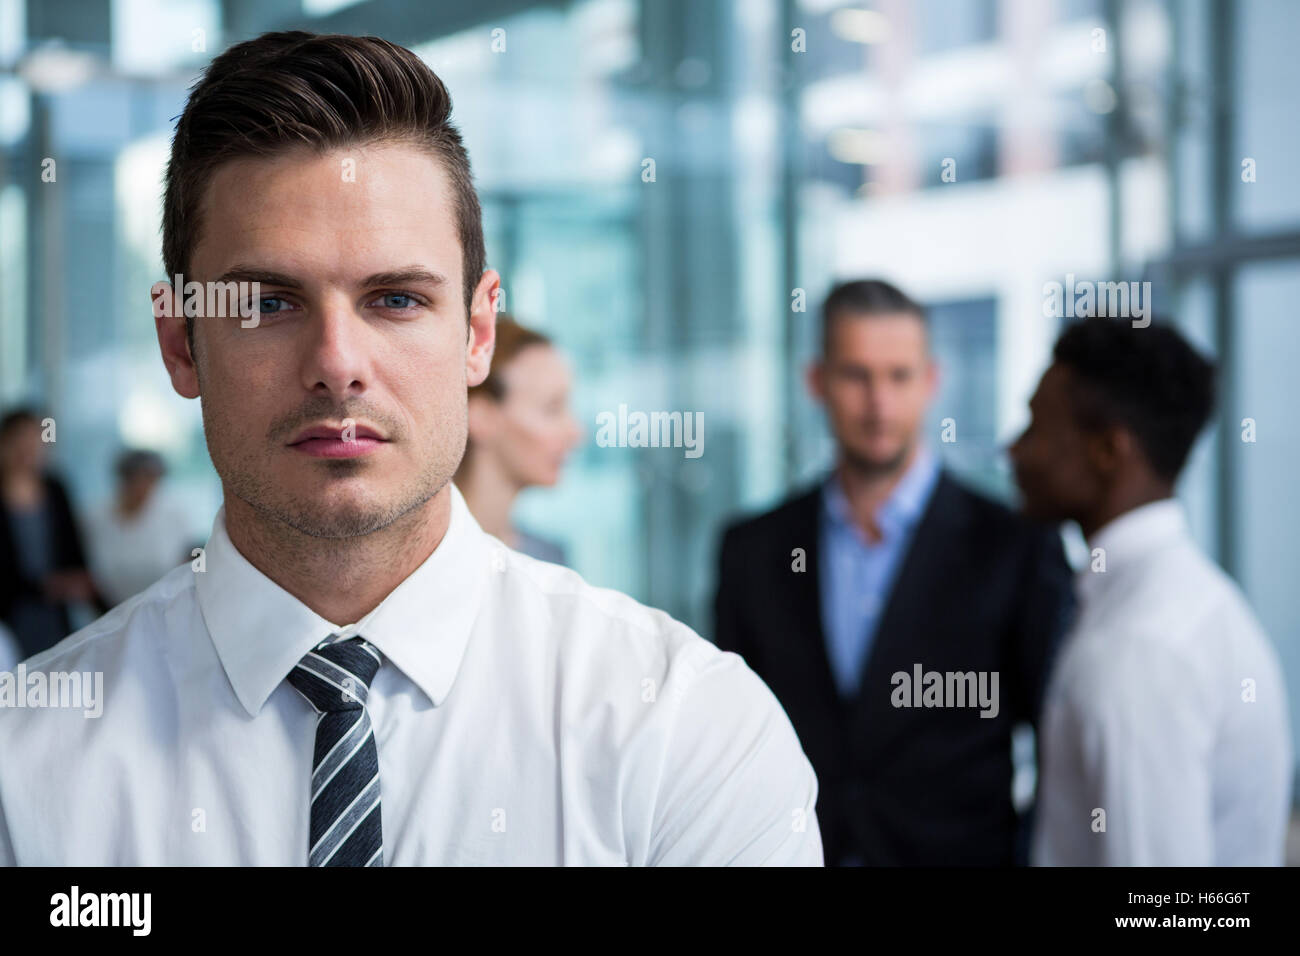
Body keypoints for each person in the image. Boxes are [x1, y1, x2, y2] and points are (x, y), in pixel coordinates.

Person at [0, 31, 821, 867]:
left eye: (394, 299)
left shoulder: (684, 733)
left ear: (477, 332)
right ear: (180, 343)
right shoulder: (25, 768)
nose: (337, 367)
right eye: (269, 304)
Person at [714, 279, 1074, 866]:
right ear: (817, 382)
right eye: (856, 376)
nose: (878, 402)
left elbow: (1060, 748)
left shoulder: (1014, 547)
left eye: (899, 376)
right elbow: (730, 740)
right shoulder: (752, 551)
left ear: (930, 382)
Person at [1010, 316, 1292, 865]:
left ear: (1108, 452)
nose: (1016, 450)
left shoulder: (1140, 644)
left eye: (1035, 427)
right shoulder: (1178, 601)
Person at [454, 316, 581, 565]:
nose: (575, 431)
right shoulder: (424, 566)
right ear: (481, 416)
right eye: (552, 409)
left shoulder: (548, 559)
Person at [0, 408, 108, 660]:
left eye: (36, 439)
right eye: (22, 439)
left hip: (57, 610)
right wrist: (45, 586)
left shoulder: (55, 488)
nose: (30, 448)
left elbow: (74, 550)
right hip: (11, 610)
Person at [85, 449, 194, 607]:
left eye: (150, 479)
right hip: (109, 609)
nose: (142, 486)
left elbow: (186, 561)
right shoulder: (96, 516)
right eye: (136, 479)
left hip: (164, 606)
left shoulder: (174, 514)